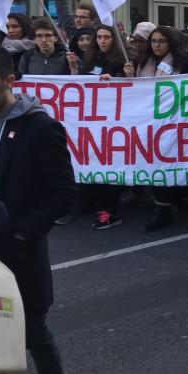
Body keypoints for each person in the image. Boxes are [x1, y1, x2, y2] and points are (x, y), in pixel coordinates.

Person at [0, 43, 76, 374]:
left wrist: (22, 233)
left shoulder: (39, 127)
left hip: (14, 248)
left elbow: (62, 194)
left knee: (31, 330)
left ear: (9, 81)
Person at [125, 26, 188, 232]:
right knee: (156, 161)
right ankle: (163, 206)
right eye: (153, 41)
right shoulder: (143, 61)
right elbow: (137, 91)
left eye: (161, 41)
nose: (156, 45)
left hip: (175, 120)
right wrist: (128, 76)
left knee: (168, 162)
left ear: (171, 43)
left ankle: (169, 204)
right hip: (149, 121)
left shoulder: (185, 61)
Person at [72, 24, 129, 229]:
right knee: (94, 166)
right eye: (99, 37)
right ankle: (99, 207)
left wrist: (122, 77)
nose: (102, 41)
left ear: (115, 40)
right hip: (93, 123)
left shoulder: (123, 60)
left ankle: (110, 211)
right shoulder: (92, 59)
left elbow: (133, 90)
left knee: (109, 168)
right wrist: (73, 70)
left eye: (107, 37)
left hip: (115, 123)